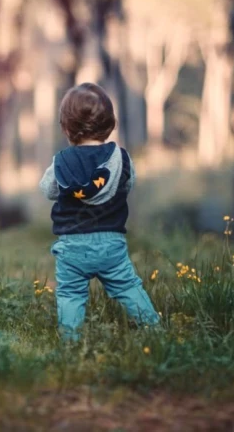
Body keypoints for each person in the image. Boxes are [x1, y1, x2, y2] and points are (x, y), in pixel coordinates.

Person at [39, 82, 159, 341]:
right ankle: (153, 329)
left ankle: (71, 342)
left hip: (72, 245)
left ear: (67, 127)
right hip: (111, 243)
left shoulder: (62, 161)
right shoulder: (121, 158)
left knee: (70, 294)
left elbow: (48, 190)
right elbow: (128, 184)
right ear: (110, 124)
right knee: (128, 285)